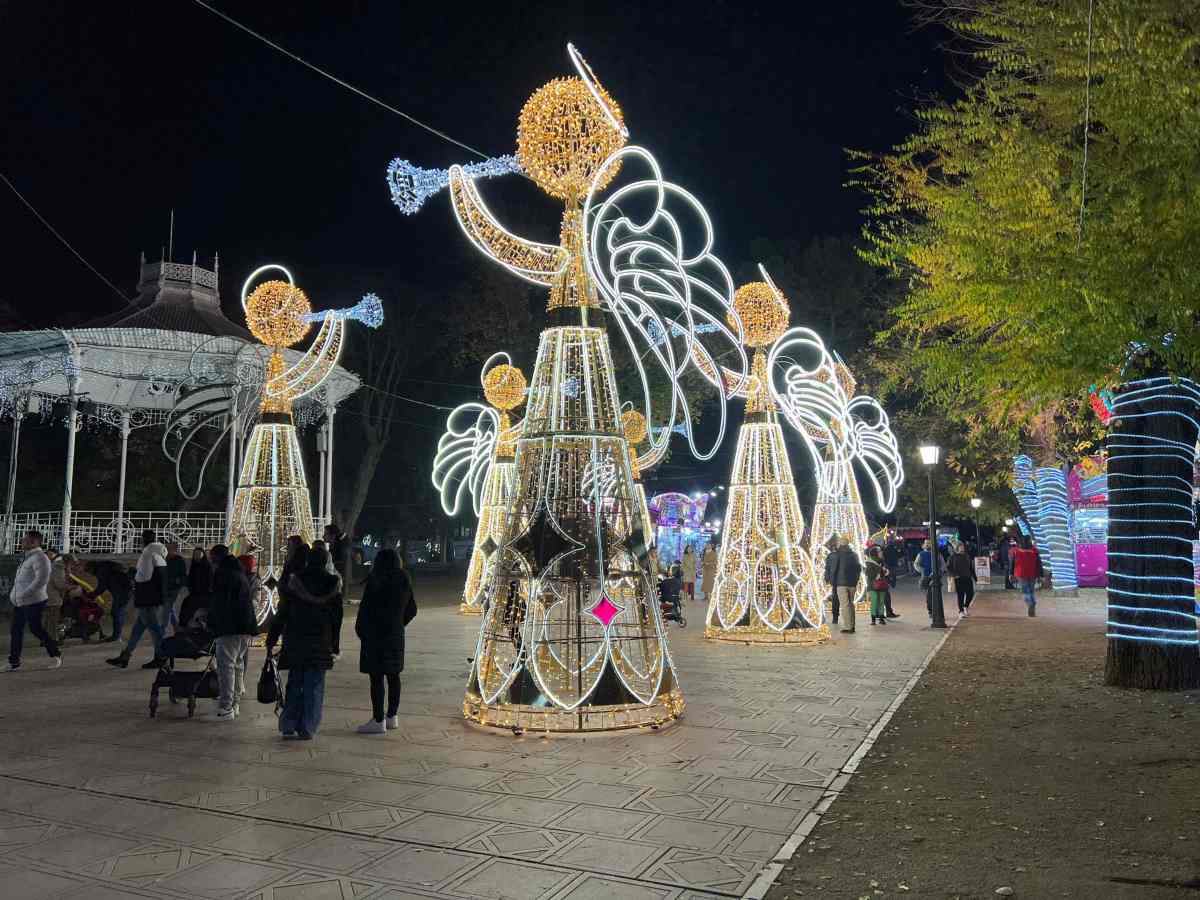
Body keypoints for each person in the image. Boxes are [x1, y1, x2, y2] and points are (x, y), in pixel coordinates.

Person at [267, 546, 342, 740]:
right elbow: (337, 618)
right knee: (314, 685)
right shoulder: (332, 583)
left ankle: (288, 724)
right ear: (326, 561)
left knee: (295, 681)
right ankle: (308, 726)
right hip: (320, 640)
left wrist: (272, 638)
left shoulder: (295, 581)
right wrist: (335, 644)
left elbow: (282, 612)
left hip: (296, 639)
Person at [354, 548, 416, 734]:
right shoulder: (404, 580)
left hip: (374, 635)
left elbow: (365, 610)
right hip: (395, 635)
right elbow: (412, 609)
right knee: (393, 675)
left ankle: (378, 719)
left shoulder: (375, 579)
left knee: (376, 677)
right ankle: (392, 716)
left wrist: (362, 631)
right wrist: (398, 623)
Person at [205, 549, 257, 721]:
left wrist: (211, 623)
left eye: (212, 560)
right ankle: (234, 703)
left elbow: (220, 603)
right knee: (237, 665)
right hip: (243, 627)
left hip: (230, 628)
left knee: (226, 667)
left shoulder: (224, 576)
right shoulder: (238, 574)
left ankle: (226, 707)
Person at [107, 530, 167, 669]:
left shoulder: (148, 555)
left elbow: (143, 579)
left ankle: (161, 656)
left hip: (147, 599)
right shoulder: (159, 555)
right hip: (154, 598)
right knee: (138, 629)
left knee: (154, 630)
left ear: (143, 540)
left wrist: (134, 576)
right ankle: (125, 656)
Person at [5, 530, 61, 672]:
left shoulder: (40, 558)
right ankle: (14, 662)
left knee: (36, 629)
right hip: (21, 601)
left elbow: (41, 581)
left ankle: (55, 655)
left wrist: (24, 594)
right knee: (16, 630)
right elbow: (20, 581)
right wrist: (15, 596)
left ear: (34, 542)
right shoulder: (27, 557)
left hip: (34, 601)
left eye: (25, 539)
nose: (22, 541)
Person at [86, 559, 131, 642]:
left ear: (91, 568)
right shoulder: (104, 567)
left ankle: (116, 636)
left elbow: (102, 587)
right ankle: (117, 634)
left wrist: (91, 595)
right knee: (117, 613)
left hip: (122, 592)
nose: (91, 575)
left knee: (116, 613)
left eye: (89, 572)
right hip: (124, 590)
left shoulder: (101, 571)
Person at [829, 536, 862, 634]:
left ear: (840, 544)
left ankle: (848, 627)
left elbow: (833, 569)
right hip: (852, 583)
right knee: (851, 604)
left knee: (845, 605)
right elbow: (858, 569)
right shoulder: (854, 555)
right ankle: (852, 625)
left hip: (841, 583)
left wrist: (832, 581)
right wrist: (856, 580)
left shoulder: (837, 555)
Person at [179, 547, 213, 631]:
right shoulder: (193, 566)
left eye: (199, 554)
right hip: (194, 593)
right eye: (195, 554)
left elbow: (209, 581)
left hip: (203, 594)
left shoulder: (207, 566)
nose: (197, 556)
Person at [45, 550, 75, 644]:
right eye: (71, 563)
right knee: (53, 620)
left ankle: (46, 639)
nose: (72, 566)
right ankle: (53, 639)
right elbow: (59, 584)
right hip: (53, 596)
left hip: (50, 595)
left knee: (49, 619)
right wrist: (71, 587)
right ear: (68, 562)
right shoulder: (59, 567)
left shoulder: (57, 566)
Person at [1011, 537, 1040, 616]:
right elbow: (1038, 564)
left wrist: (1011, 574)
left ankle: (1030, 603)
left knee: (1025, 591)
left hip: (1021, 573)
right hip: (1032, 573)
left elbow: (1012, 563)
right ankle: (1032, 604)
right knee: (1031, 590)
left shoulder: (1016, 551)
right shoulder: (1034, 550)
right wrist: (1040, 575)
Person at [163, 542, 188, 634]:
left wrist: (176, 581)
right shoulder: (163, 559)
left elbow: (183, 575)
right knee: (169, 608)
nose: (167, 550)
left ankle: (164, 629)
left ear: (174, 550)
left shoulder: (179, 560)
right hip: (164, 588)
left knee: (167, 608)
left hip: (173, 588)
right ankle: (176, 627)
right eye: (166, 548)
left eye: (169, 548)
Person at [947, 541, 977, 616]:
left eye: (963, 546)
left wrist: (975, 578)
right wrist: (954, 575)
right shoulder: (952, 557)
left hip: (967, 577)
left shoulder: (967, 556)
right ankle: (961, 611)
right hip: (958, 579)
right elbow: (948, 568)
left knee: (970, 594)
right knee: (961, 595)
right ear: (957, 548)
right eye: (960, 546)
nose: (962, 548)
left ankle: (965, 606)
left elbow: (971, 568)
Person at [864, 547, 889, 626]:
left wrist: (885, 571)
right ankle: (873, 619)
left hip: (882, 584)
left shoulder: (882, 561)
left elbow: (885, 572)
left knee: (881, 601)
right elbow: (868, 574)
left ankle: (881, 618)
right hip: (872, 585)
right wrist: (881, 573)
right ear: (875, 553)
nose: (881, 552)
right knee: (874, 601)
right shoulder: (869, 562)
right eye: (879, 551)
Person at [822, 534, 841, 626]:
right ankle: (845, 618)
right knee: (845, 600)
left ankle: (835, 617)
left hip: (835, 581)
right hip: (843, 581)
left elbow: (827, 568)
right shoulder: (843, 555)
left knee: (835, 599)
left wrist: (827, 578)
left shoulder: (830, 556)